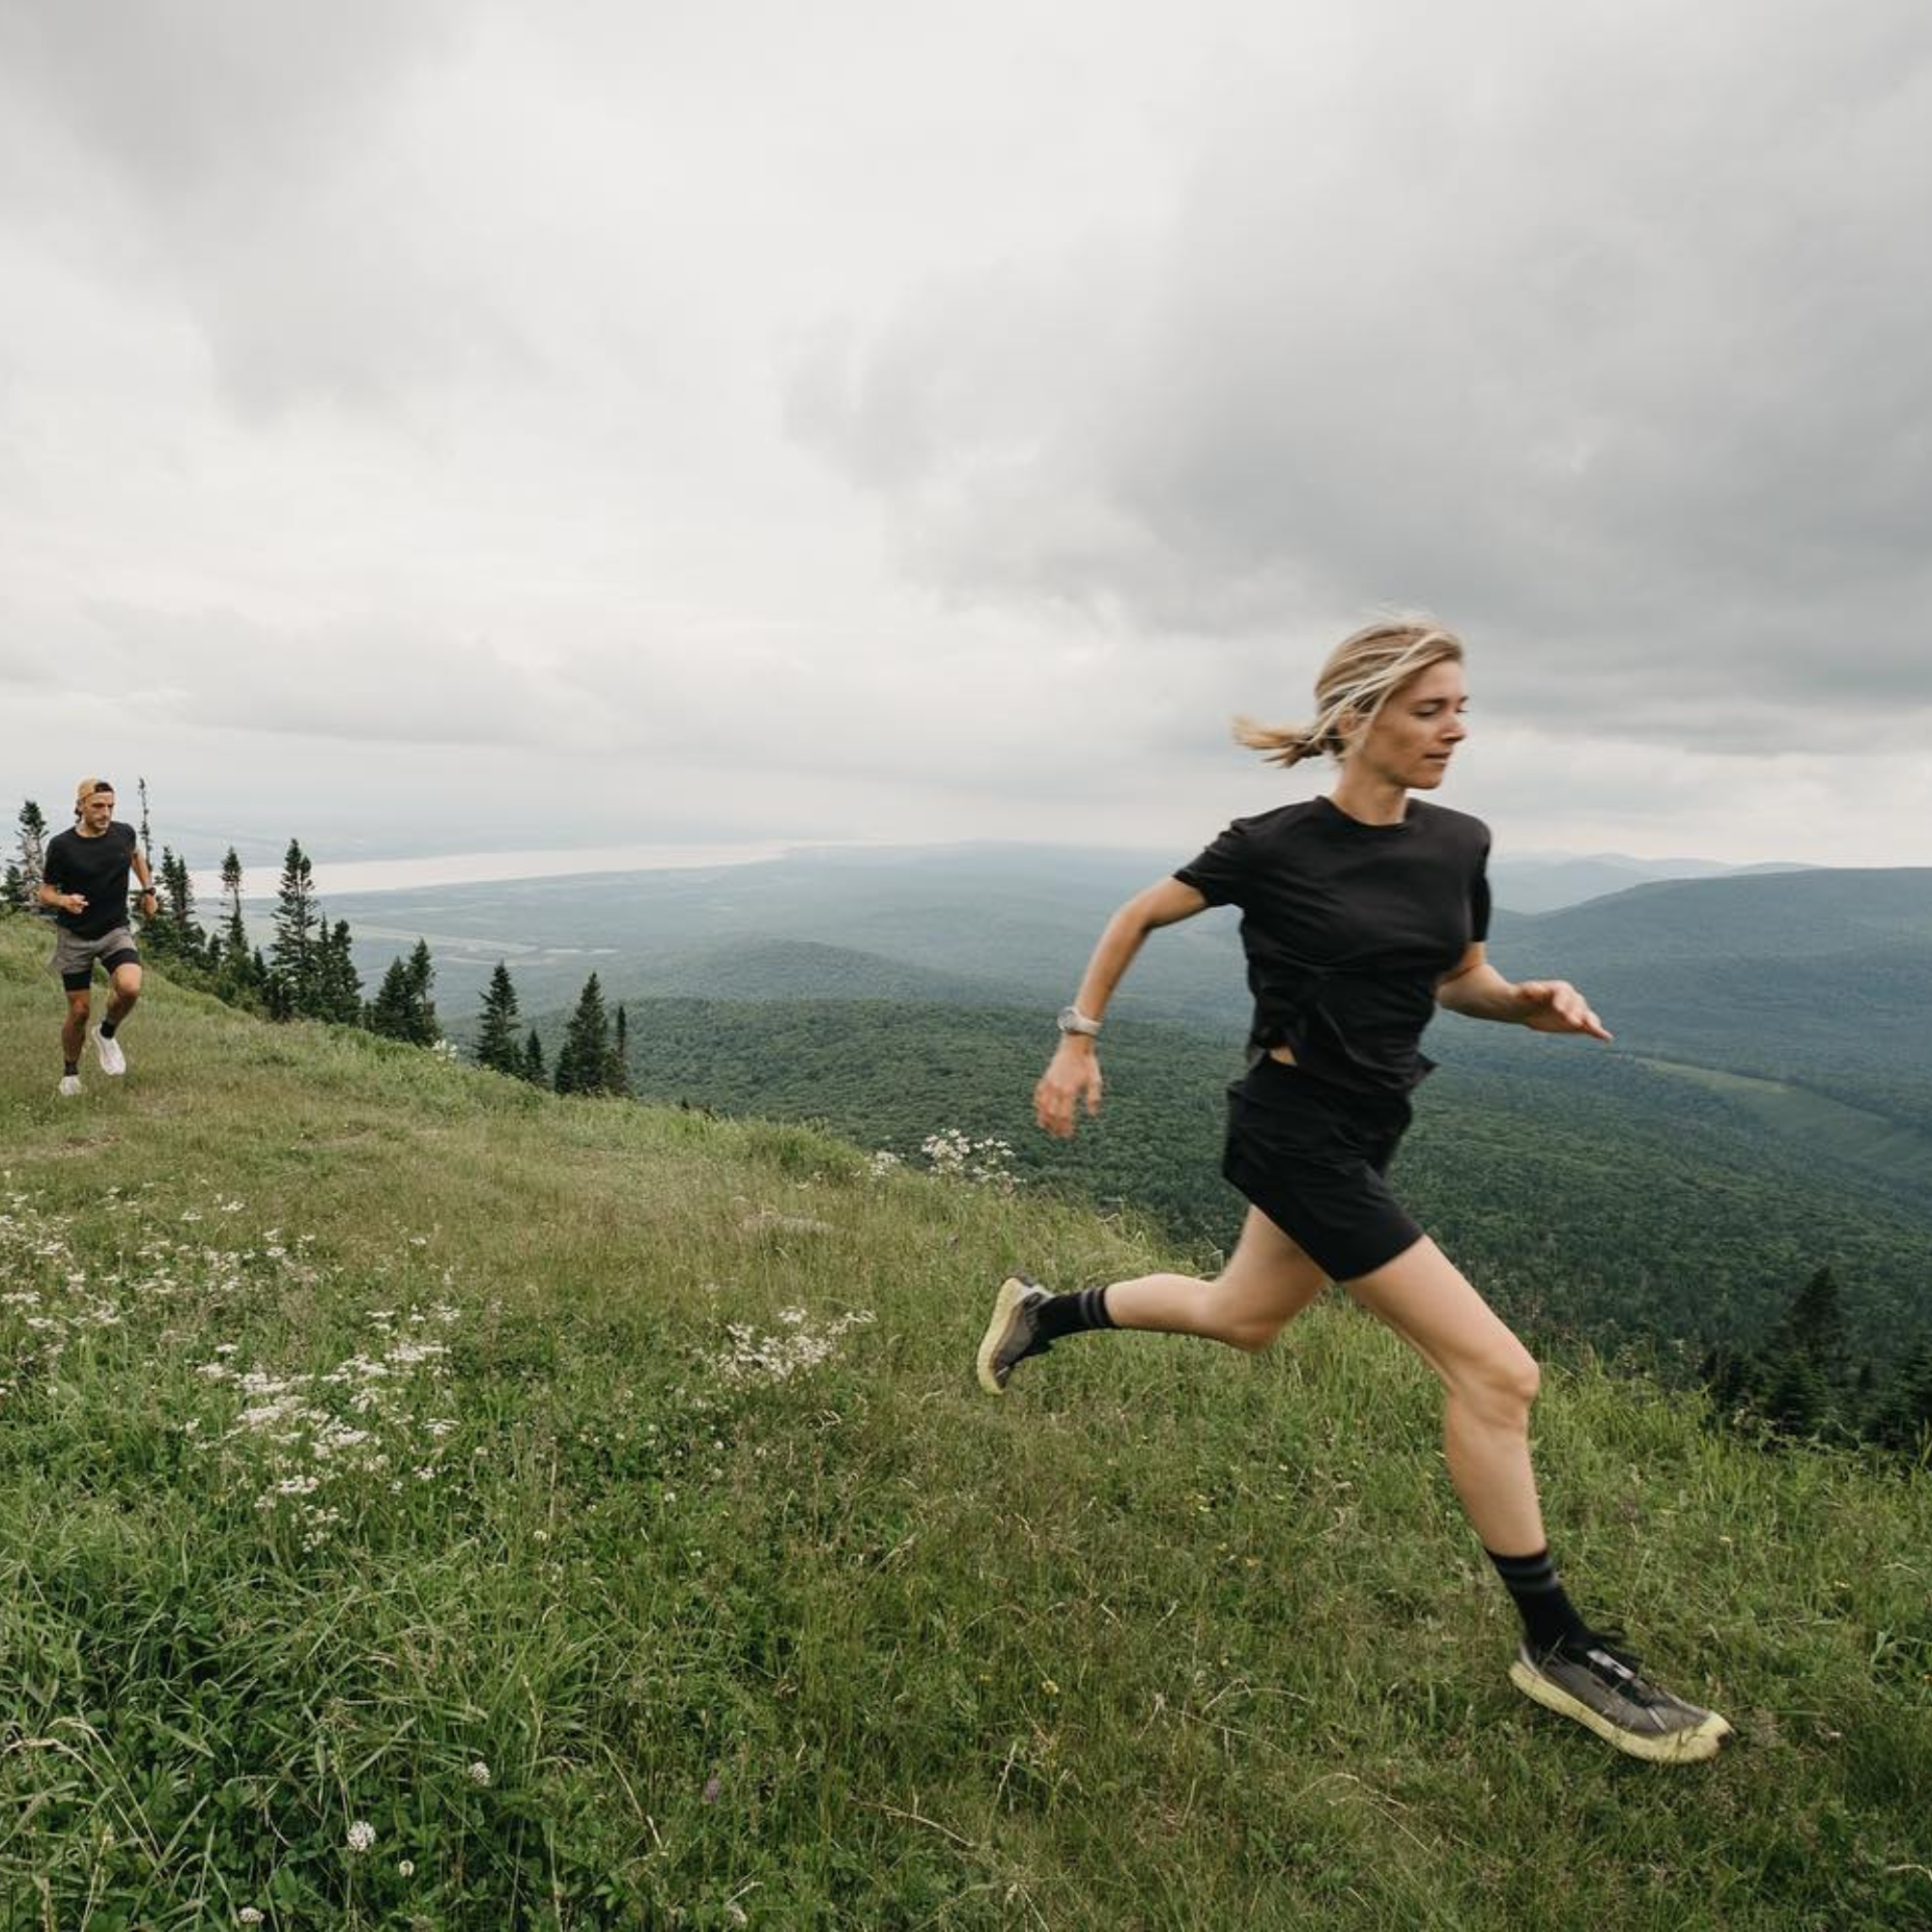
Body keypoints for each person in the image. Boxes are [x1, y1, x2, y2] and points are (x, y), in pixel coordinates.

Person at [977, 619, 1731, 1765]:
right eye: (1429, 709)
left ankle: (1042, 1310)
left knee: (1241, 1315)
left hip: (1368, 1125)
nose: (1455, 730)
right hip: (1292, 1134)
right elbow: (1135, 915)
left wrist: (1524, 998)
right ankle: (1557, 1644)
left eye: (1459, 707)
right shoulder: (1272, 844)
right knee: (1496, 1369)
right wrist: (1074, 1042)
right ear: (1355, 718)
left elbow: (1454, 975)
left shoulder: (1456, 840)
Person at [39, 778, 155, 1097]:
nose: (106, 813)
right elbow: (45, 892)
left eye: (111, 806)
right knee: (78, 1012)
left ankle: (106, 1034)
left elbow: (134, 856)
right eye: (98, 806)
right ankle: (71, 1073)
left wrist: (148, 890)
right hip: (75, 936)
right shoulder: (63, 846)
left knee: (130, 987)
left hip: (115, 929)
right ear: (81, 807)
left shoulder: (123, 833)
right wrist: (65, 901)